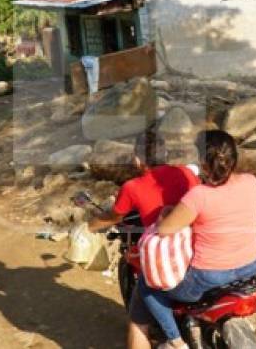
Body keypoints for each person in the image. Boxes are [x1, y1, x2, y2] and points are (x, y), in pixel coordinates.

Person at [138, 130, 256, 349]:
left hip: (209, 277)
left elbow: (166, 229)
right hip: (251, 266)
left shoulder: (199, 196)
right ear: (234, 158)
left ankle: (175, 341)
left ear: (203, 163)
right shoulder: (252, 182)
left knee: (147, 285)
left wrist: (167, 213)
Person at [88, 131, 199, 349]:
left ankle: (173, 340)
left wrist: (91, 226)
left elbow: (113, 216)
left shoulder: (133, 187)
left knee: (138, 320)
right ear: (165, 153)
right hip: (195, 252)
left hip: (168, 259)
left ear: (137, 159)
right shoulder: (186, 173)